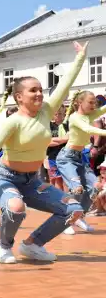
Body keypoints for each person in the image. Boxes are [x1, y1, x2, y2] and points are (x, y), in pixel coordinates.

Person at [0, 41, 88, 264]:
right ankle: (4, 246)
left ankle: (32, 245)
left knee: (73, 209)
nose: (39, 93)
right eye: (33, 90)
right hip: (4, 178)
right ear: (19, 97)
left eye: (40, 89)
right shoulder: (12, 122)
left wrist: (80, 58)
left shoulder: (46, 111)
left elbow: (65, 84)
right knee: (16, 208)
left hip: (33, 181)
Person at [56, 90, 106, 233]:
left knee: (96, 186)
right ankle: (66, 220)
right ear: (79, 102)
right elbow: (87, 128)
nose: (93, 105)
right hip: (67, 158)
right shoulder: (75, 117)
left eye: (94, 102)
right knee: (77, 188)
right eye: (90, 102)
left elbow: (104, 108)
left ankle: (78, 216)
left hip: (79, 157)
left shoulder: (90, 115)